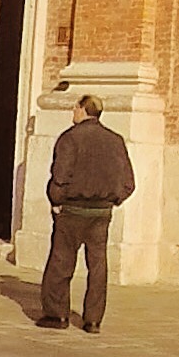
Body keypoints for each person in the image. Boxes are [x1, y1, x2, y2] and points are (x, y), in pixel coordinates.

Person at [38, 92, 137, 333]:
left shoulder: (70, 139)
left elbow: (60, 175)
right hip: (101, 213)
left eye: (75, 107)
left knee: (62, 262)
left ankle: (57, 314)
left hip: (72, 209)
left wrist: (56, 200)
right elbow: (128, 182)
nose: (73, 111)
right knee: (98, 266)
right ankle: (93, 319)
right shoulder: (115, 140)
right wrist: (113, 200)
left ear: (83, 109)